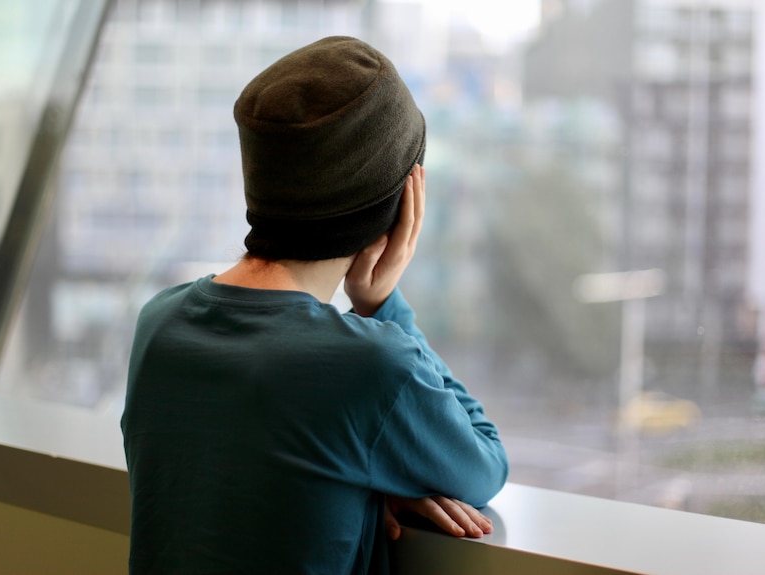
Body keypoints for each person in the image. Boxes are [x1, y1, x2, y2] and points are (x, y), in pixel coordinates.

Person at [121, 36, 508, 575]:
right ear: (400, 207)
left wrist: (361, 474)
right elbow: (484, 464)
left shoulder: (159, 324)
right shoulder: (373, 366)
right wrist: (381, 307)